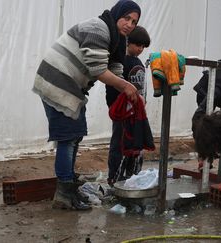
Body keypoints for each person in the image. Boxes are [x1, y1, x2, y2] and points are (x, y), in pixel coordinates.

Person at [32, 0, 141, 210]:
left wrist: (128, 95)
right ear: (117, 14)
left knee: (75, 135)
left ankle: (69, 189)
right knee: (68, 137)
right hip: (57, 81)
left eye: (134, 21)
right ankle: (63, 194)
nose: (129, 24)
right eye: (126, 18)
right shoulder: (98, 29)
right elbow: (98, 70)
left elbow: (115, 70)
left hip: (70, 86)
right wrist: (127, 87)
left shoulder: (117, 39)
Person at [105, 25, 151, 186]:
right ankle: (116, 178)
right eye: (138, 45)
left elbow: (141, 90)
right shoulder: (119, 62)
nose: (140, 49)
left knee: (132, 145)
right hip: (122, 112)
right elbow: (111, 85)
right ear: (128, 42)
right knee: (120, 144)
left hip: (133, 113)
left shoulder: (136, 64)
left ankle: (130, 178)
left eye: (143, 46)